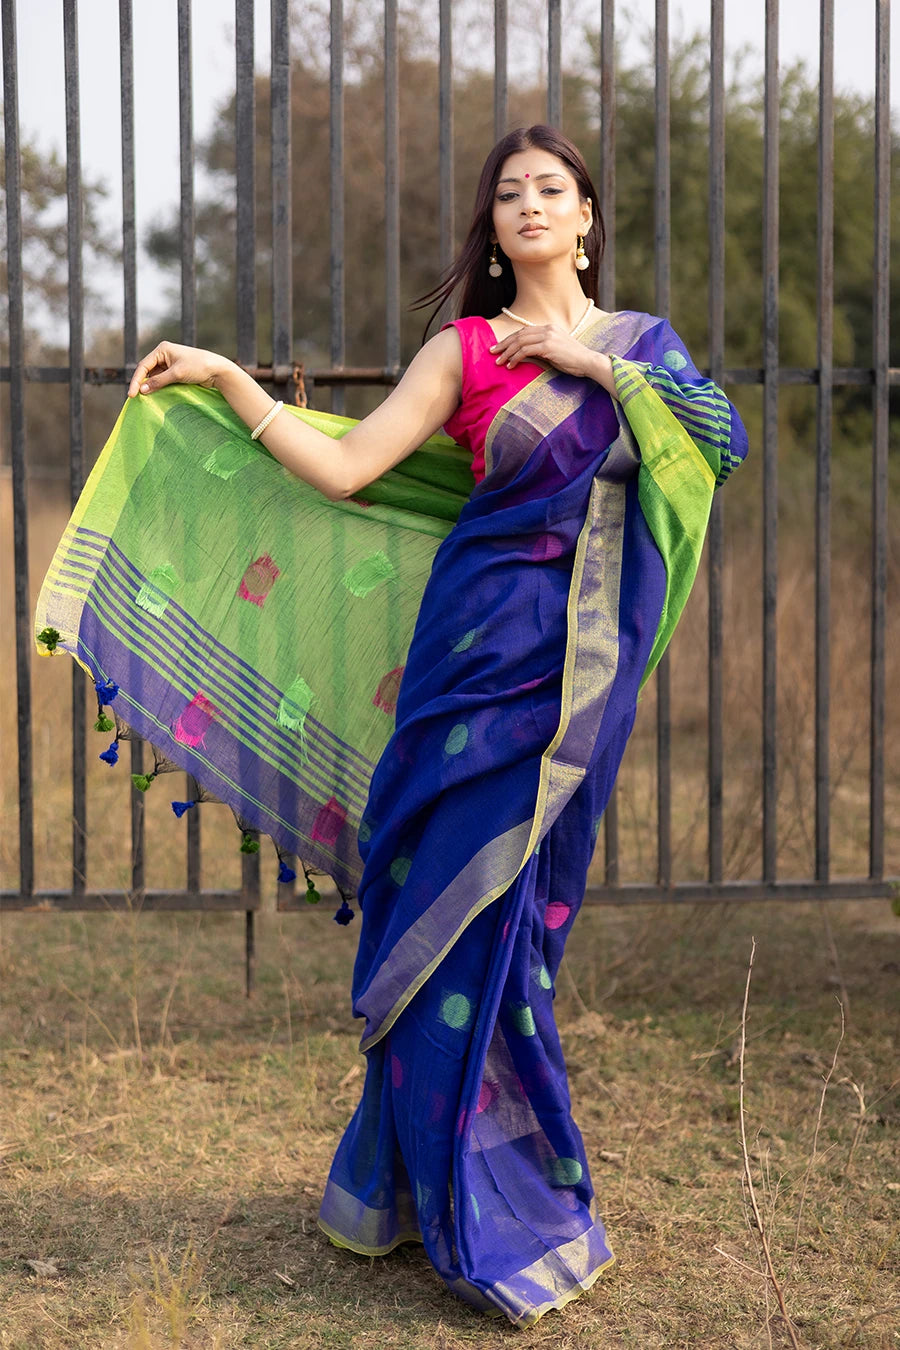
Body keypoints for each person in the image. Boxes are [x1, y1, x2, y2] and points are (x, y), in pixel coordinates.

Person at [48, 124, 748, 1327]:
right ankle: (444, 1194)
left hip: (573, 676)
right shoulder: (461, 352)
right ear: (493, 227)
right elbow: (348, 470)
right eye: (510, 193)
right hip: (471, 653)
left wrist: (586, 368)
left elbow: (716, 444)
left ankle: (500, 1180)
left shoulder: (645, 353)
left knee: (510, 919)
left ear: (588, 219)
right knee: (440, 910)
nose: (531, 206)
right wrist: (227, 378)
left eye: (554, 190)